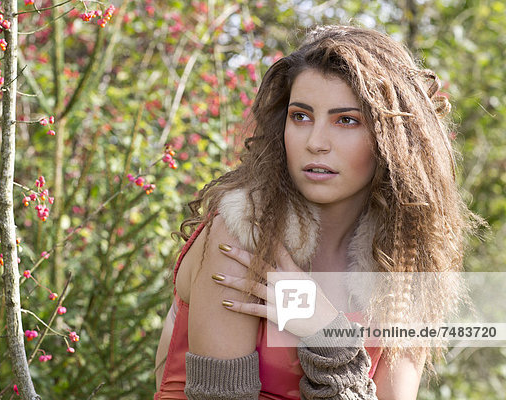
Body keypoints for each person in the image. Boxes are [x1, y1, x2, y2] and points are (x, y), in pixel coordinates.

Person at [154, 24, 476, 399]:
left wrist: (327, 335)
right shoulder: (245, 233)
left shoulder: (403, 264)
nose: (315, 142)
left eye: (346, 120)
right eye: (301, 116)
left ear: (394, 142)